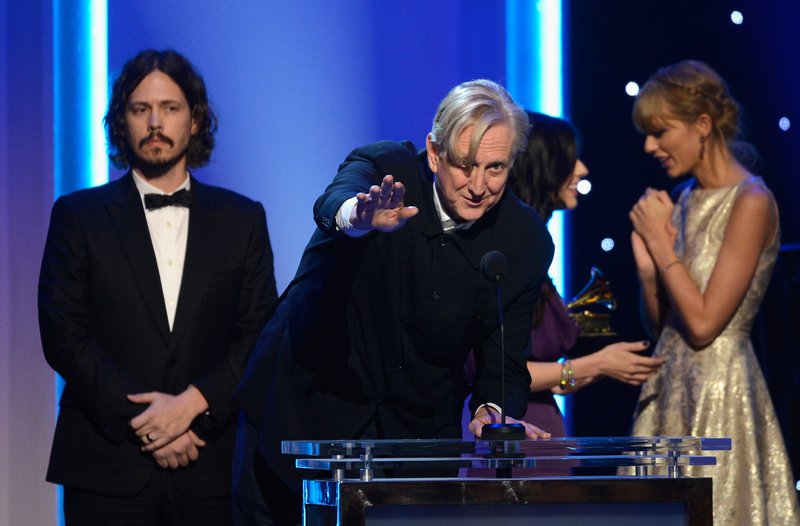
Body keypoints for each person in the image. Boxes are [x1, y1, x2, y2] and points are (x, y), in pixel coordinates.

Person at [234, 79, 554, 525]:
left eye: (495, 168)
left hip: (415, 446)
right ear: (435, 152)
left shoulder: (525, 241)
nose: (478, 185)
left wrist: (491, 412)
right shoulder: (384, 167)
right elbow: (332, 205)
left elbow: (503, 362)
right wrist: (359, 216)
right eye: (465, 165)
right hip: (298, 418)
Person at [38, 49, 278, 525]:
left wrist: (192, 405)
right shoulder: (77, 216)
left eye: (169, 108)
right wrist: (151, 422)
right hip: (106, 465)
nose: (154, 122)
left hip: (209, 464)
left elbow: (258, 333)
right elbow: (63, 334)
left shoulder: (242, 218)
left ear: (195, 120)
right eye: (139, 109)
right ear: (121, 122)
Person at [627, 60, 800, 525]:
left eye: (661, 132)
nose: (650, 146)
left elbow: (704, 325)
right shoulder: (684, 198)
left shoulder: (752, 201)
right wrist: (648, 271)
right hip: (668, 394)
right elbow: (667, 326)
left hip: (722, 399)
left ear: (702, 125)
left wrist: (663, 247)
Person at [460, 112, 664, 477]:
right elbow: (491, 370)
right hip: (512, 442)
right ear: (542, 166)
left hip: (542, 437)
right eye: (570, 160)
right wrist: (595, 364)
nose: (583, 169)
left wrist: (596, 369)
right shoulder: (502, 255)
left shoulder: (533, 252)